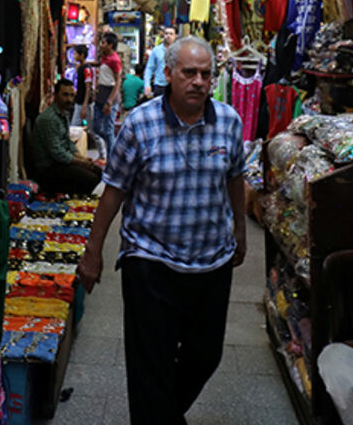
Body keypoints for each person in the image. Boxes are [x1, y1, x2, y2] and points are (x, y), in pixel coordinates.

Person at [78, 37, 247, 425]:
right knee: (149, 364)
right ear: (168, 74)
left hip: (211, 260)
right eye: (189, 73)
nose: (199, 82)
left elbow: (236, 178)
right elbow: (113, 192)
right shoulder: (140, 124)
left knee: (206, 355)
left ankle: (163, 416)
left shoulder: (229, 122)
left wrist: (241, 229)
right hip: (150, 262)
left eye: (206, 74)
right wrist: (93, 251)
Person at [31, 79, 103, 195]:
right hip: (48, 168)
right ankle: (71, 199)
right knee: (90, 178)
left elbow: (67, 142)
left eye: (71, 95)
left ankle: (77, 198)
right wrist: (81, 162)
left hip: (59, 162)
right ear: (56, 95)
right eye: (65, 95)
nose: (69, 99)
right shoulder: (49, 118)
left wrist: (82, 158)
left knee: (97, 171)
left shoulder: (64, 114)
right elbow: (57, 153)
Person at [89, 32, 122, 161]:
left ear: (110, 45)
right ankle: (112, 145)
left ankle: (112, 158)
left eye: (103, 43)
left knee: (108, 129)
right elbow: (102, 66)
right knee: (96, 127)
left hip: (109, 97)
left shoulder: (115, 60)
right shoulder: (104, 57)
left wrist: (110, 101)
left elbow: (118, 81)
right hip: (100, 96)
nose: (101, 45)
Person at [143, 25, 178, 99]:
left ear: (175, 36)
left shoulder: (180, 51)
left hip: (174, 86)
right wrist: (147, 85)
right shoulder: (156, 50)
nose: (168, 36)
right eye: (166, 33)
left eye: (171, 34)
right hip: (160, 86)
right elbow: (149, 68)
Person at [69, 44, 91, 128]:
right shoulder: (81, 67)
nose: (74, 56)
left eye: (75, 54)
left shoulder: (86, 69)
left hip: (83, 103)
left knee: (76, 126)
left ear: (81, 55)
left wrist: (85, 105)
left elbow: (88, 87)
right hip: (80, 101)